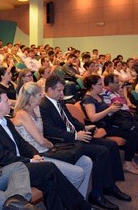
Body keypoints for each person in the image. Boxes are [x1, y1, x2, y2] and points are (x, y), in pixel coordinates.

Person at [0, 88, 93, 209]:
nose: (10, 103)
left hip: (22, 163)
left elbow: (21, 142)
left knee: (49, 181)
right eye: (6, 101)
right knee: (49, 168)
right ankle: (82, 206)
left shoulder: (5, 120)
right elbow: (2, 157)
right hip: (10, 169)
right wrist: (30, 161)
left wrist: (34, 154)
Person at [40, 74, 131, 210]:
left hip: (77, 136)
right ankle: (96, 194)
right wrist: (76, 136)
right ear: (50, 89)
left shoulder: (59, 101)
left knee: (111, 145)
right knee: (102, 152)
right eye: (59, 90)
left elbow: (71, 120)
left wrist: (84, 127)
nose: (62, 93)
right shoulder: (44, 105)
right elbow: (50, 130)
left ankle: (110, 185)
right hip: (65, 143)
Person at [11, 83, 92, 197]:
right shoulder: (22, 114)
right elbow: (41, 140)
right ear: (31, 97)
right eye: (40, 94)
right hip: (37, 155)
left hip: (46, 149)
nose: (42, 96)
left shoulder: (36, 109)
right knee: (77, 174)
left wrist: (52, 146)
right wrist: (53, 146)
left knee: (86, 162)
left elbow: (44, 134)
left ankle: (80, 201)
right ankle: (70, 202)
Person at [82, 74, 138, 174]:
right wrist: (109, 109)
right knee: (132, 134)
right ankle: (127, 164)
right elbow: (93, 118)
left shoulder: (98, 95)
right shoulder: (88, 99)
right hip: (102, 127)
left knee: (133, 129)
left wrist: (113, 107)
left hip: (110, 121)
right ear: (93, 86)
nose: (102, 86)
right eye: (99, 84)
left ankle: (130, 159)